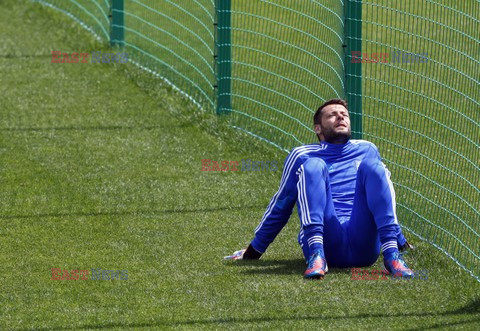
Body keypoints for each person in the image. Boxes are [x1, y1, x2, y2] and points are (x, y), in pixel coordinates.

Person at [225, 98, 414, 279]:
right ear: (318, 128)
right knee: (314, 166)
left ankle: (392, 255)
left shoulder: (367, 149)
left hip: (364, 245)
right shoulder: (302, 154)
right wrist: (254, 251)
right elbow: (281, 205)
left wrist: (400, 240)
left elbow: (382, 197)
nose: (340, 117)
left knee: (374, 167)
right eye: (332, 115)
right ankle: (316, 257)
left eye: (344, 114)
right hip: (327, 240)